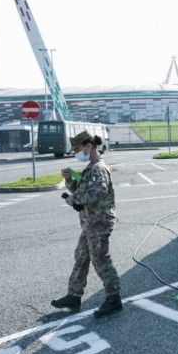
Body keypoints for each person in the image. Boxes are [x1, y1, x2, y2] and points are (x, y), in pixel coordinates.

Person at [50, 132, 122, 316]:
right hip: (90, 222)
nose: (76, 153)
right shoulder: (91, 167)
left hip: (99, 222)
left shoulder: (98, 168)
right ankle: (74, 297)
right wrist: (69, 180)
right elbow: (83, 189)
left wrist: (75, 199)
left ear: (88, 146)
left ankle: (114, 298)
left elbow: (98, 192)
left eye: (77, 149)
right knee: (81, 256)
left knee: (100, 259)